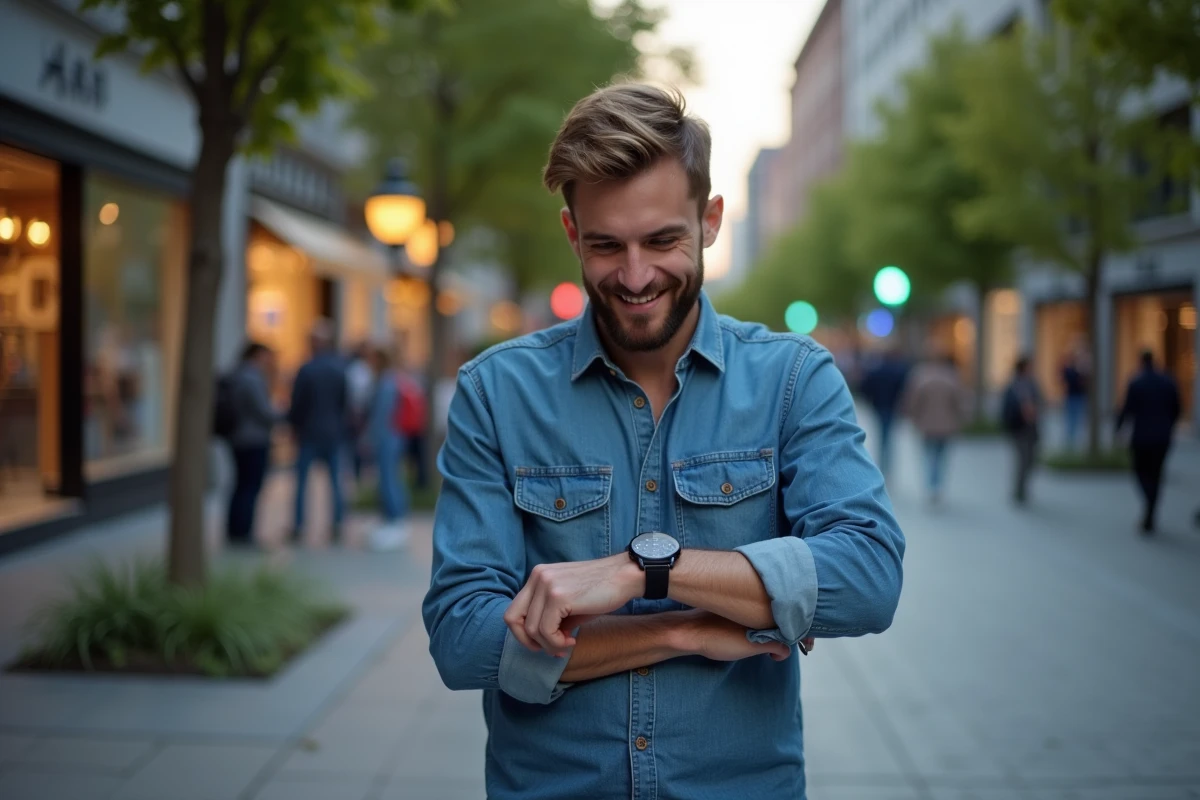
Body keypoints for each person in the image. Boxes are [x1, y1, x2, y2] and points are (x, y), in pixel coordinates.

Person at [422, 83, 905, 800]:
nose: (636, 275)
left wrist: (644, 572)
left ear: (709, 221)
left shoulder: (793, 379)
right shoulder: (496, 393)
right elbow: (463, 639)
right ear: (571, 234)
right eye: (605, 245)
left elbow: (867, 577)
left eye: (662, 240)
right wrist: (682, 630)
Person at [288, 320, 348, 543]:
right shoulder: (339, 369)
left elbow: (297, 404)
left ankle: (299, 525)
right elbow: (344, 402)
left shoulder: (306, 369)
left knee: (302, 482)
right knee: (335, 482)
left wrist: (294, 426)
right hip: (333, 432)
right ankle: (337, 524)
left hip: (309, 433)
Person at [1115, 350, 1181, 535]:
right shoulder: (1168, 381)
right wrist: (1169, 425)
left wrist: (1118, 428)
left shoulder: (1137, 382)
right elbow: (1177, 409)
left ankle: (1149, 505)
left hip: (1142, 437)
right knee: (1156, 474)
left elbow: (1127, 408)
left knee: (1141, 471)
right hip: (1162, 436)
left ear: (1140, 362)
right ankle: (1151, 506)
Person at [224, 342, 281, 545]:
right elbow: (263, 411)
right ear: (257, 355)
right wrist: (284, 415)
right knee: (249, 487)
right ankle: (243, 533)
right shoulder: (251, 377)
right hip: (253, 440)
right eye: (266, 356)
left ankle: (235, 531)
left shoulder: (238, 374)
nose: (269, 361)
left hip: (239, 438)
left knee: (241, 485)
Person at [901, 351, 971, 504]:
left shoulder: (921, 376)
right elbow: (959, 401)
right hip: (947, 425)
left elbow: (913, 400)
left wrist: (912, 417)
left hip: (926, 424)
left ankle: (932, 485)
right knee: (941, 456)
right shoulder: (951, 377)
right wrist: (962, 418)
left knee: (928, 456)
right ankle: (937, 484)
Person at [364, 345, 411, 551]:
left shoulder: (385, 382)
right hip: (392, 436)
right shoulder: (389, 379)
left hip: (387, 437)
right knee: (390, 477)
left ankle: (395, 521)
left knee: (389, 478)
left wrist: (369, 439)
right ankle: (391, 520)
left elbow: (381, 415)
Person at [859, 347, 910, 477]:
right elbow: (904, 391)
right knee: (888, 436)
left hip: (879, 407)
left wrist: (871, 401)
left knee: (883, 435)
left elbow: (864, 388)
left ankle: (883, 463)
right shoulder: (899, 372)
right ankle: (887, 465)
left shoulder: (876, 371)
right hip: (892, 408)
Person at [1002, 355, 1042, 505]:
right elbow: (1007, 409)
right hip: (1018, 428)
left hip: (1032, 428)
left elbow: (1040, 403)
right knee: (1022, 460)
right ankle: (1019, 490)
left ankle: (1023, 487)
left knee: (1031, 460)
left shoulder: (1033, 385)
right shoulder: (1013, 386)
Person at [345, 341, 375, 485]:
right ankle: (359, 473)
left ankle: (360, 473)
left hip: (360, 412)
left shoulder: (358, 369)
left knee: (359, 444)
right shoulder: (361, 369)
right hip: (359, 412)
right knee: (358, 445)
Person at [1060, 347, 1089, 451]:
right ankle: (1070, 442)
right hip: (1072, 397)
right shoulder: (1070, 370)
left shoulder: (1079, 370)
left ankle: (1074, 441)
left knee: (1077, 420)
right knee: (1071, 420)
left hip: (1078, 396)